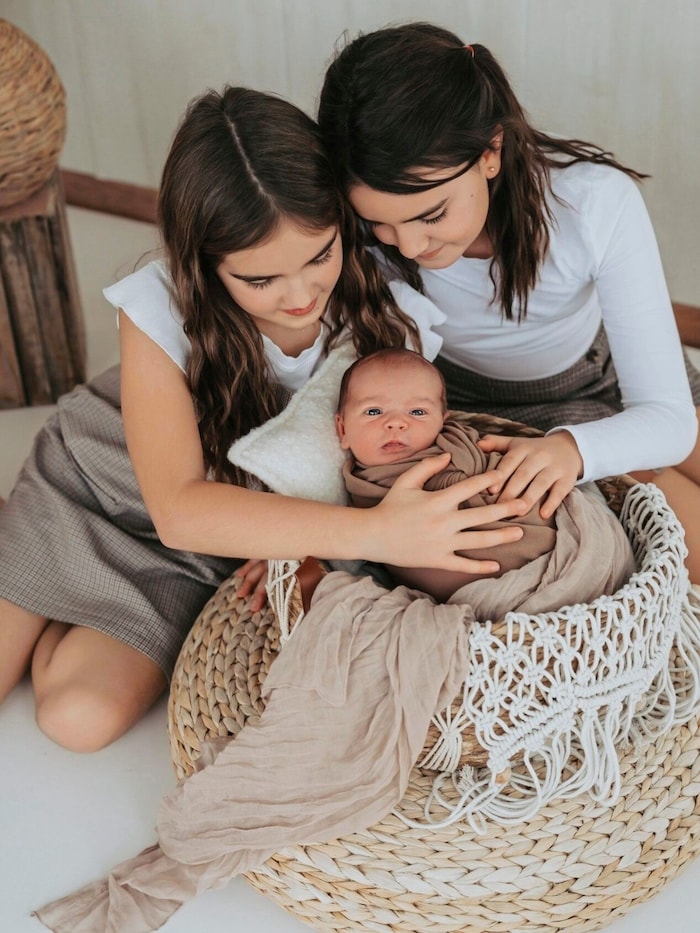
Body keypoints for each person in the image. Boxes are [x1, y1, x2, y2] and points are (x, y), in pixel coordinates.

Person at [0, 85, 530, 753]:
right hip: (104, 487)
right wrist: (376, 534)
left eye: (319, 256)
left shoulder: (386, 316)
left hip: (219, 544)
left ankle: (49, 596)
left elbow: (373, 466)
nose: (302, 295)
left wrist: (320, 548)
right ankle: (29, 546)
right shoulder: (159, 307)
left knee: (77, 719)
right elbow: (179, 508)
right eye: (260, 281)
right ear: (207, 267)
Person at [317, 21, 700, 582]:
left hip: (609, 378)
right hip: (482, 413)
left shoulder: (592, 204)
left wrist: (574, 447)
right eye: (380, 223)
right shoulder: (357, 243)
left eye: (431, 214)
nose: (412, 246)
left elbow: (668, 420)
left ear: (491, 151)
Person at [336, 347, 632, 602]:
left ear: (443, 421)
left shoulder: (457, 443)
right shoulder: (364, 495)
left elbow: (500, 462)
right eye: (374, 412)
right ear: (343, 430)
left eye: (417, 412)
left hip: (560, 536)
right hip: (490, 591)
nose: (397, 423)